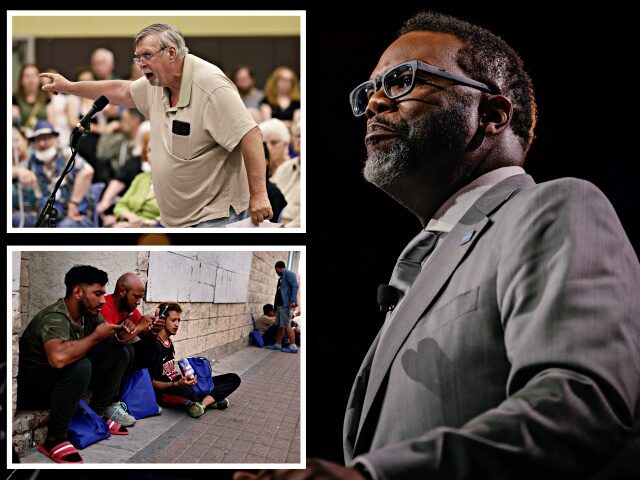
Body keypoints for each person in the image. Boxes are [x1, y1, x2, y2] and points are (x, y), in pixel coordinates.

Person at [236, 10, 640, 480]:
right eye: (369, 90)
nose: (374, 104)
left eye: (402, 80)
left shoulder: (555, 207)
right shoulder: (435, 256)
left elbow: (581, 406)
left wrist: (371, 477)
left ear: (491, 114)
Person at [40, 23, 272, 227]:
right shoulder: (158, 83)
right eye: (137, 57)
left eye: (147, 55)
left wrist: (259, 195)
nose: (141, 64)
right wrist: (70, 86)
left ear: (171, 52)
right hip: (175, 220)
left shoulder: (210, 85)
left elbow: (250, 134)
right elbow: (121, 91)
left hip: (215, 219)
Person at [16, 265, 137, 463]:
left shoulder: (89, 314)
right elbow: (58, 359)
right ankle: (55, 439)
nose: (101, 301)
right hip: (33, 389)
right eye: (97, 294)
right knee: (82, 366)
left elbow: (106, 342)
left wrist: (120, 336)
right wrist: (96, 337)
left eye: (103, 294)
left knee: (121, 352)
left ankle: (95, 414)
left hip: (61, 382)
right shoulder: (55, 317)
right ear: (78, 292)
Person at [149, 302, 241, 418]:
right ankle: (210, 401)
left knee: (233, 378)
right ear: (162, 320)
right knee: (189, 392)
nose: (177, 324)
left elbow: (171, 372)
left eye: (179, 320)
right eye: (173, 320)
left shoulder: (170, 343)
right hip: (170, 390)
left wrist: (189, 377)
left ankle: (203, 404)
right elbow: (152, 383)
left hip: (181, 384)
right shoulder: (155, 346)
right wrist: (177, 383)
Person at [100, 272, 163, 426]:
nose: (139, 302)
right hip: (99, 363)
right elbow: (113, 341)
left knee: (153, 345)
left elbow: (145, 336)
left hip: (117, 361)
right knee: (124, 350)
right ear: (122, 292)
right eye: (136, 297)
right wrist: (140, 325)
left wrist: (153, 330)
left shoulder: (129, 309)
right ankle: (111, 403)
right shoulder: (105, 306)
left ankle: (144, 395)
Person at [11, 120, 95, 228]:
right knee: (15, 218)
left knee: (64, 227)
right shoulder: (32, 161)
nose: (42, 144)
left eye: (46, 138)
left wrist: (73, 203)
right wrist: (18, 171)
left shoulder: (67, 155)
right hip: (42, 217)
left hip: (70, 217)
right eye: (38, 139)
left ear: (55, 140)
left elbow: (87, 172)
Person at [111, 132, 161, 227]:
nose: (154, 154)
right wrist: (128, 216)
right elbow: (119, 206)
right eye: (150, 150)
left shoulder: (176, 184)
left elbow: (178, 218)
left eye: (158, 150)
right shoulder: (140, 178)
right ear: (145, 155)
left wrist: (143, 223)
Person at [265, 261, 299, 353]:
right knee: (280, 325)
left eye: (276, 270)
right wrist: (275, 308)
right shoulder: (281, 278)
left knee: (287, 325)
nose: (276, 272)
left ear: (279, 267)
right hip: (280, 306)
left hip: (287, 305)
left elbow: (295, 286)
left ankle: (293, 346)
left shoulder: (289, 274)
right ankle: (278, 344)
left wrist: (292, 301)